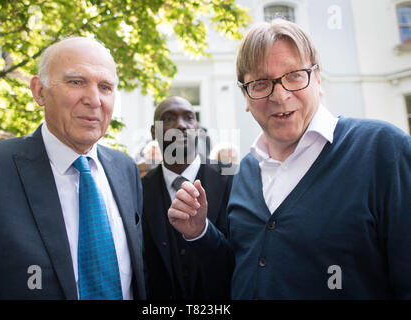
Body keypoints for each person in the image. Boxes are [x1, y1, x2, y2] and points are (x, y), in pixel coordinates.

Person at [168, 19, 411, 299]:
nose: (280, 96)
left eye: (294, 75)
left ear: (318, 79)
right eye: (260, 83)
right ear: (246, 97)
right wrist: (200, 233)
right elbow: (244, 269)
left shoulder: (382, 151)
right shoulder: (247, 170)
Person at [0, 37, 146, 300]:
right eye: (76, 82)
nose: (94, 100)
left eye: (105, 87)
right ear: (39, 91)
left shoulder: (125, 168)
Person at [142, 96, 233, 299]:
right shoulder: (139, 190)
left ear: (198, 128)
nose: (181, 125)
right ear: (153, 132)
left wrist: (202, 232)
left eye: (189, 117)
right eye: (169, 118)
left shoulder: (231, 179)